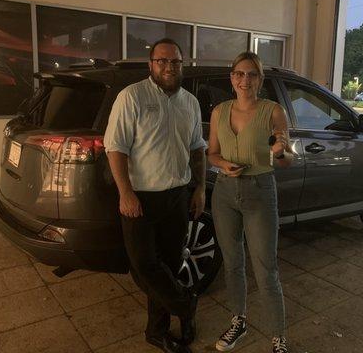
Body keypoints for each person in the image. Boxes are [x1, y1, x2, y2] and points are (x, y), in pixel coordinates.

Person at [104, 38, 206, 353]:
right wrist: (126, 193)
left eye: (175, 61)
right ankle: (186, 304)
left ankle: (157, 330)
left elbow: (197, 149)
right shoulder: (131, 97)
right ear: (151, 64)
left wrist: (200, 187)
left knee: (171, 265)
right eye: (162, 61)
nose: (169, 67)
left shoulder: (190, 102)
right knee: (143, 265)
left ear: (182, 64)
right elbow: (115, 148)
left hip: (177, 196)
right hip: (140, 199)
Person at [207, 52, 293, 353]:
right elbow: (212, 153)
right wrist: (223, 164)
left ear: (260, 79)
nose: (245, 80)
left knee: (265, 268)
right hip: (225, 192)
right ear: (232, 78)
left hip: (260, 191)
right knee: (232, 264)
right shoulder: (220, 112)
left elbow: (285, 161)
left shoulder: (273, 111)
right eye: (240, 74)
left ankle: (278, 337)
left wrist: (280, 151)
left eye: (252, 75)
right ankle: (238, 321)